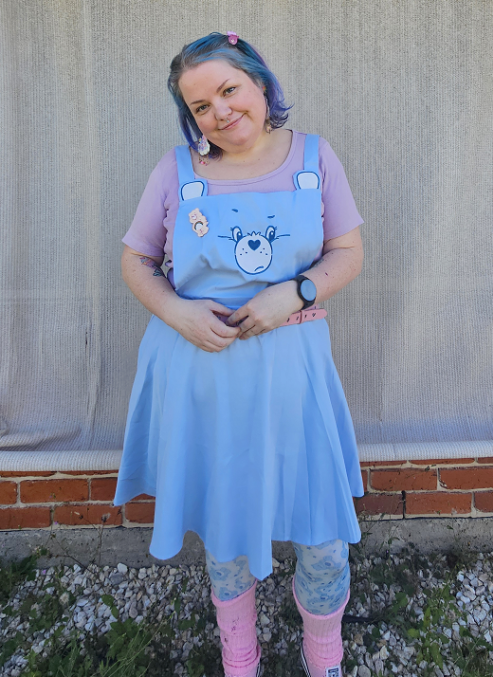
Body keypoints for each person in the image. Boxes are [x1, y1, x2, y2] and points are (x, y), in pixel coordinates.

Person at [112, 32, 364, 677]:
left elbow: (349, 252)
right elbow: (137, 260)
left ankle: (324, 654)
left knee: (323, 536)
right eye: (200, 105)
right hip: (203, 378)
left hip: (294, 377)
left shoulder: (316, 157)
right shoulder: (175, 171)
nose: (220, 112)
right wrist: (175, 310)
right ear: (188, 117)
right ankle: (240, 657)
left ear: (260, 85)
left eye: (228, 90)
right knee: (224, 536)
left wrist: (296, 292)